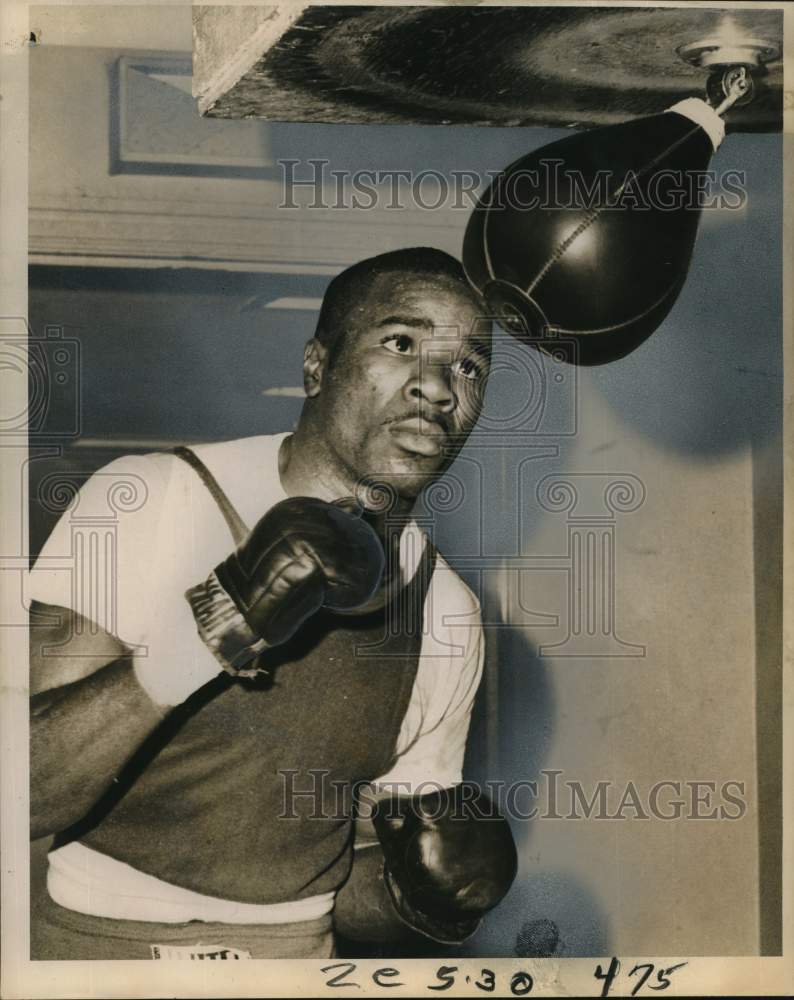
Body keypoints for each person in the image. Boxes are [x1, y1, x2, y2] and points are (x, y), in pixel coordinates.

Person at [28, 247, 517, 960]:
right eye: (402, 342)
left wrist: (430, 903)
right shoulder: (153, 499)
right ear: (317, 365)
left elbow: (340, 890)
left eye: (469, 365)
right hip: (95, 951)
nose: (438, 387)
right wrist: (208, 635)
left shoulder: (445, 612)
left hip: (294, 961)